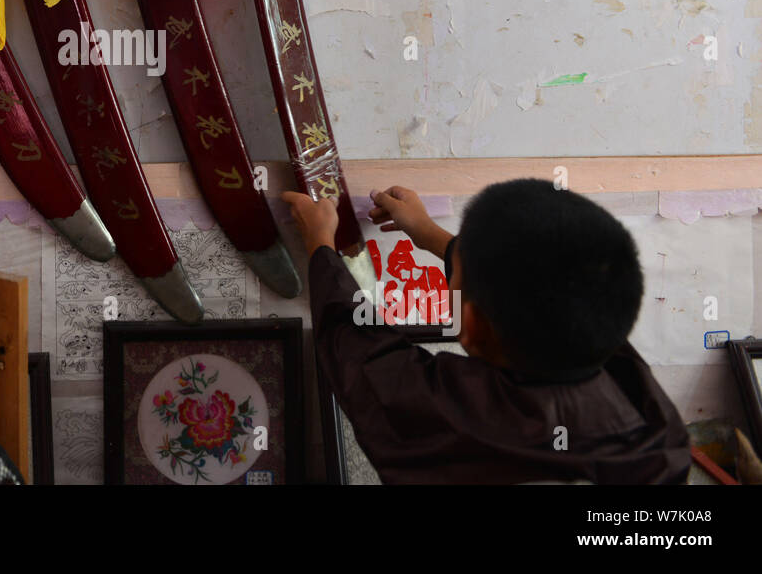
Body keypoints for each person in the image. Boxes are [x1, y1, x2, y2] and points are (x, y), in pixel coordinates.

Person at [282, 178, 691, 483]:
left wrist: (319, 242)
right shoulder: (654, 423)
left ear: (470, 325)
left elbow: (358, 349)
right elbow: (546, 279)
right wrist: (429, 234)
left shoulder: (459, 420)